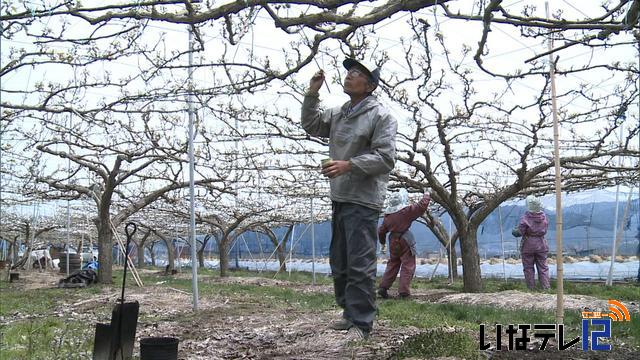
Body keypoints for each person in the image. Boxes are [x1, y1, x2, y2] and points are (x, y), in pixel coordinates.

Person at [301, 58, 397, 339]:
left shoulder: (381, 116)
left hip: (363, 199)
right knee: (340, 260)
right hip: (340, 195)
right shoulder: (341, 113)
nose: (348, 76)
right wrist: (312, 92)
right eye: (348, 73)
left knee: (359, 261)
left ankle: (362, 323)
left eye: (356, 74)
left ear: (369, 85)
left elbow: (386, 157)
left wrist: (349, 165)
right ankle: (349, 312)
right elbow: (312, 123)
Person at [377, 189, 431, 299]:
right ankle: (404, 292)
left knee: (393, 264)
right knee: (408, 265)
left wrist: (382, 243)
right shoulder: (406, 211)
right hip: (405, 239)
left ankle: (383, 287)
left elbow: (381, 231)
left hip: (392, 240)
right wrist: (427, 194)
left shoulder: (388, 216)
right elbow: (421, 206)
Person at [512, 195, 550, 290]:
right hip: (541, 244)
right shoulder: (544, 217)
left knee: (528, 268)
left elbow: (519, 232)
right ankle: (546, 288)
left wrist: (514, 231)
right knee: (543, 267)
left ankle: (531, 288)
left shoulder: (526, 218)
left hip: (528, 245)